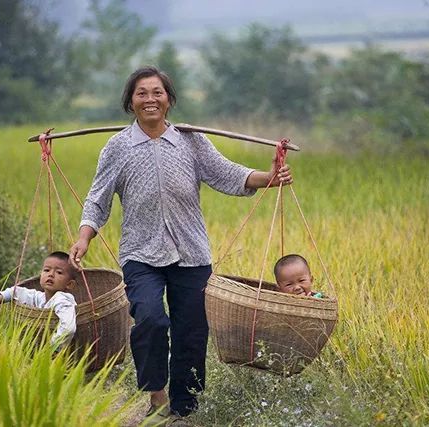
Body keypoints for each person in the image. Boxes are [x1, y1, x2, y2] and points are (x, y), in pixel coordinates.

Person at [69, 66, 292, 421]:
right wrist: (83, 237)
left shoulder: (190, 141)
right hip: (141, 253)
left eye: (157, 92)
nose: (150, 99)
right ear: (130, 102)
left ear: (169, 100)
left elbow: (227, 173)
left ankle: (185, 409)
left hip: (191, 253)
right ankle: (156, 395)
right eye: (141, 93)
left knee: (191, 332)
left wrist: (270, 177)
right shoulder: (117, 148)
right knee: (151, 319)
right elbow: (97, 199)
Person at [0, 251, 77, 351]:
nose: (51, 275)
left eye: (59, 272)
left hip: (55, 351)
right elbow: (17, 292)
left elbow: (68, 328)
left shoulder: (63, 300)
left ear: (69, 284)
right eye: (47, 270)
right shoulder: (40, 297)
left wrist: (53, 348)